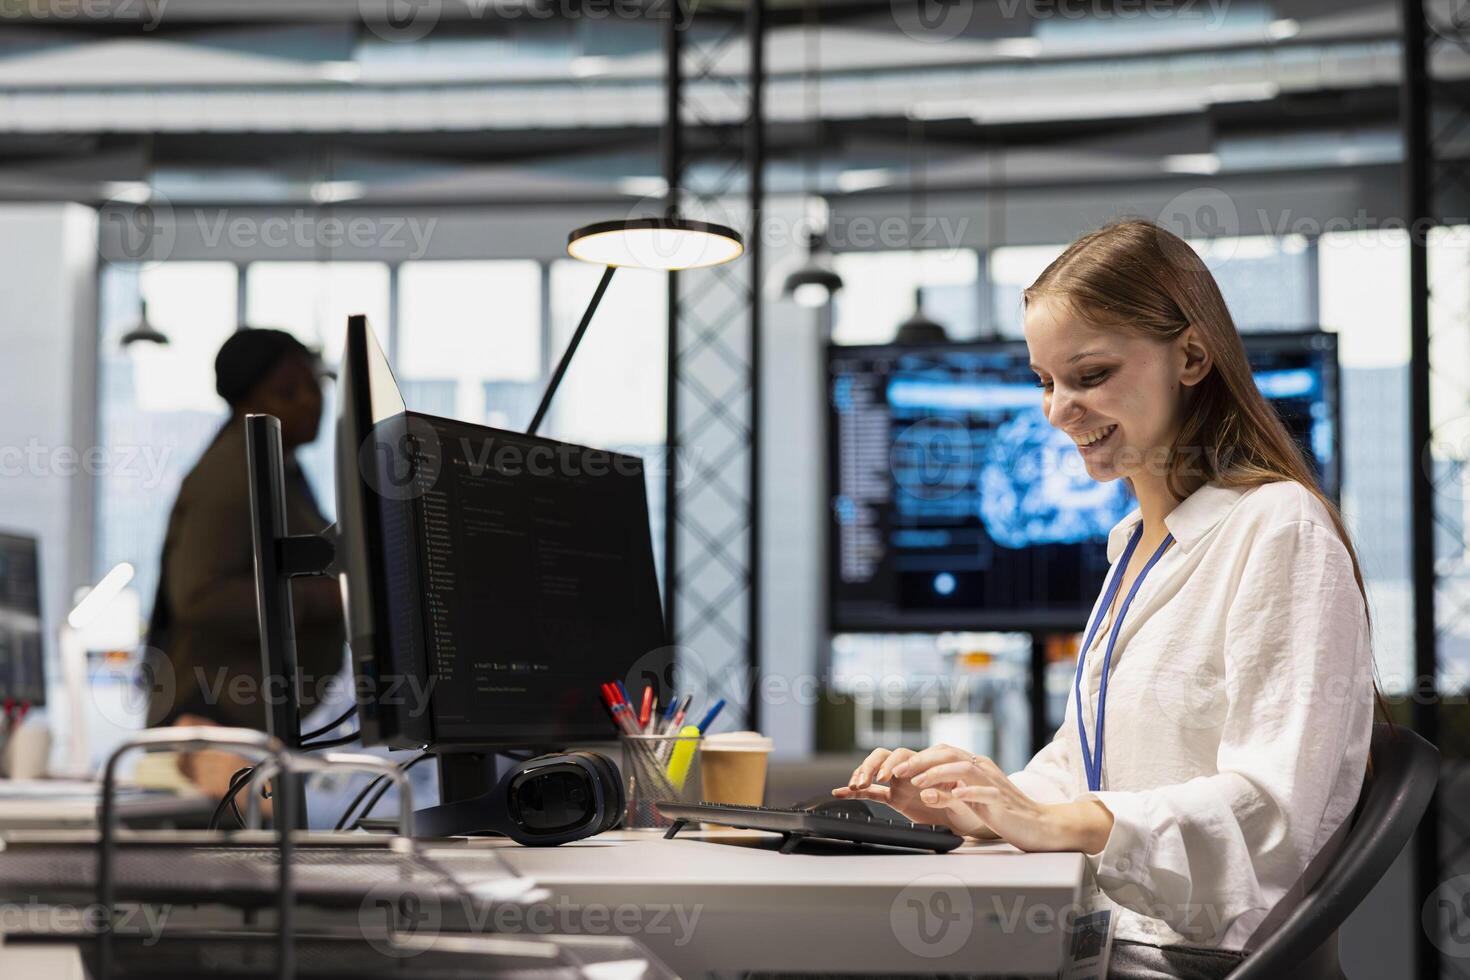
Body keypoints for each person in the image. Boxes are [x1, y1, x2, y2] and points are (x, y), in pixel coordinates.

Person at [833, 218, 1378, 980]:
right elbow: (1086, 771)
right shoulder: (1136, 548)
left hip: (1186, 959)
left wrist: (1060, 820)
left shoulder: (1279, 528)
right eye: (1045, 382)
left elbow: (1272, 813)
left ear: (1192, 357)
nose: (1057, 410)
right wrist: (973, 801)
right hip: (1109, 940)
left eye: (1089, 376)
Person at [143, 328, 345, 795]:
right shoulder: (231, 475)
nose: (311, 401)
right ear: (246, 402)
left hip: (246, 724)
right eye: (288, 391)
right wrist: (325, 597)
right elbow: (199, 596)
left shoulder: (279, 468)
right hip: (214, 723)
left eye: (315, 385)